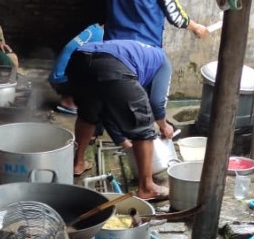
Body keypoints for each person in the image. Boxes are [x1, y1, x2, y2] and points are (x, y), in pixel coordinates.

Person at [65, 39, 174, 200]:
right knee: (143, 126)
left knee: (89, 114)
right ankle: (147, 187)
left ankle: (78, 163)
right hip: (112, 65)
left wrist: (122, 140)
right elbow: (157, 103)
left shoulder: (139, 55)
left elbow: (109, 108)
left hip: (79, 60)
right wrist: (164, 126)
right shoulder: (163, 63)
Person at [49, 22, 104, 115]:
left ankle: (68, 99)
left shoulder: (94, 29)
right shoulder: (103, 37)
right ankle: (70, 102)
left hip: (58, 78)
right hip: (64, 81)